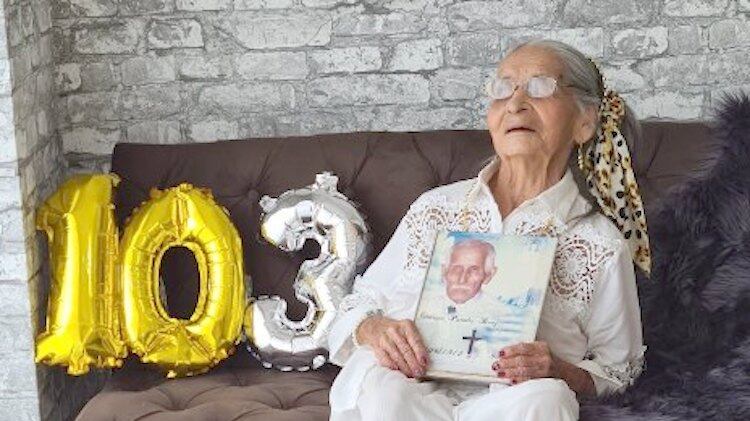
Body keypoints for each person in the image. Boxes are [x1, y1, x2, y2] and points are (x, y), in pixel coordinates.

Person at [327, 39, 649, 421]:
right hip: (411, 394)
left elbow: (619, 372)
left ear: (585, 121)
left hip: (514, 403)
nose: (515, 103)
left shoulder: (599, 243)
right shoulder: (436, 208)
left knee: (547, 399)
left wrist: (558, 369)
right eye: (503, 88)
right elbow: (358, 304)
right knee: (381, 385)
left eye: (540, 86)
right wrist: (374, 329)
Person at [442, 238, 497, 305]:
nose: (462, 280)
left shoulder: (499, 311)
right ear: (444, 272)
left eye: (473, 271)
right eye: (456, 270)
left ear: (488, 276)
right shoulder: (430, 303)